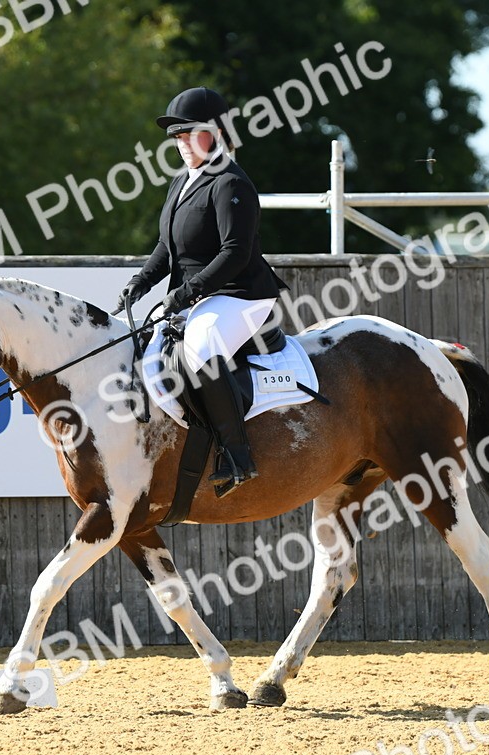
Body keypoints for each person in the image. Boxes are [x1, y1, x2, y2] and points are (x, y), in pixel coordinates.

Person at [113, 86, 287, 497]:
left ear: (218, 132)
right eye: (177, 136)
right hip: (199, 294)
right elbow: (167, 246)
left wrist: (189, 291)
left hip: (240, 294)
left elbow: (236, 252)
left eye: (191, 132)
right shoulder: (182, 183)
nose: (182, 142)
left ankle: (238, 456)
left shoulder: (231, 182)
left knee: (202, 348)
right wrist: (142, 279)